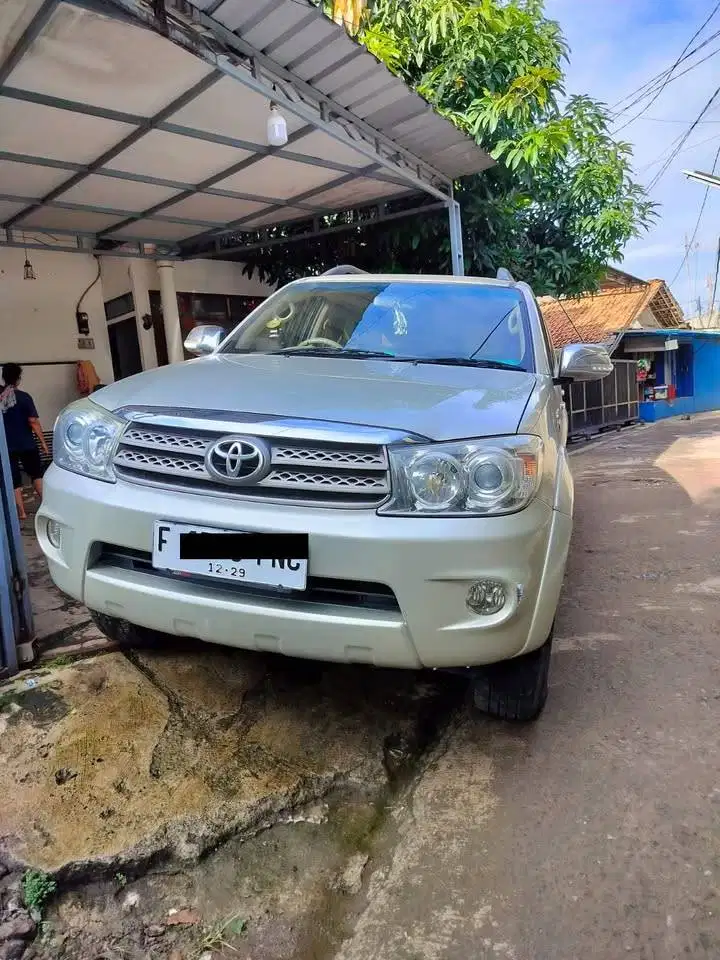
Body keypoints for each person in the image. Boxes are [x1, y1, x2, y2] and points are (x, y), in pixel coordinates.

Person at [0, 363, 49, 520]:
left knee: (14, 480)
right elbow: (33, 421)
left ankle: (20, 513)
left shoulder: (1, 398)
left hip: (6, 446)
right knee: (36, 474)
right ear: (18, 379)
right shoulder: (24, 397)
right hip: (27, 443)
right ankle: (46, 505)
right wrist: (43, 442)